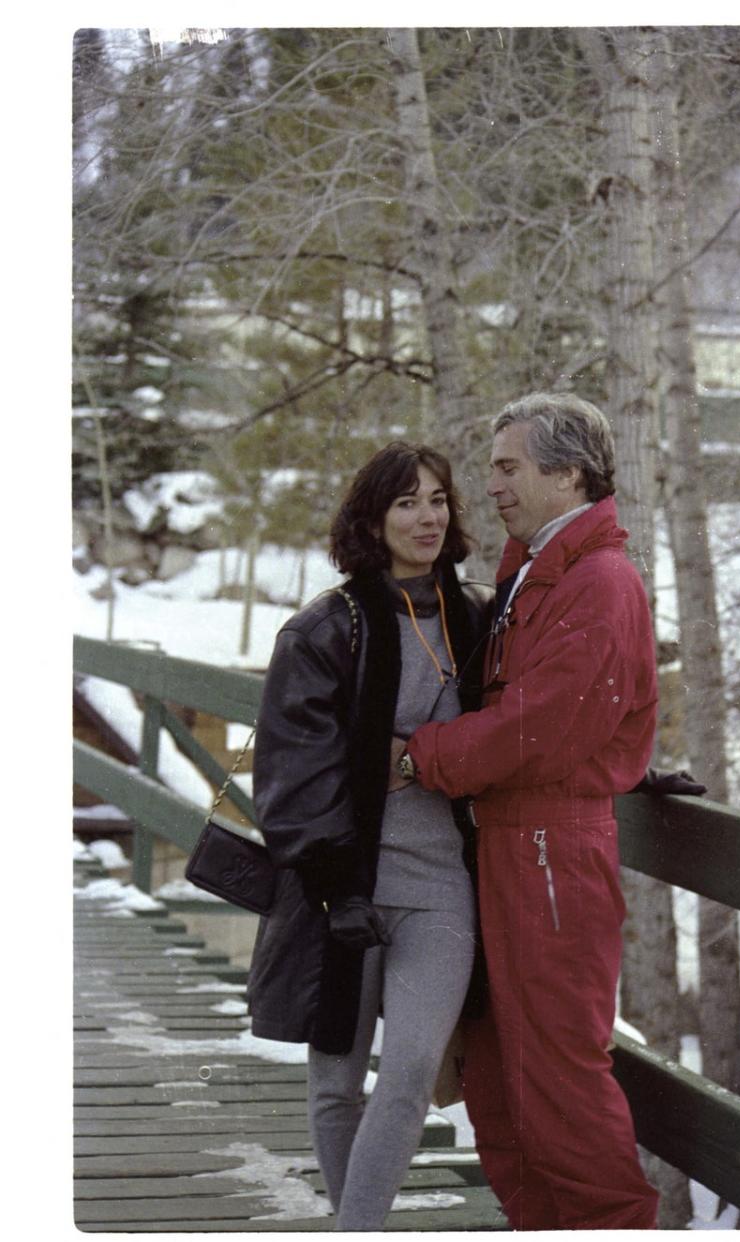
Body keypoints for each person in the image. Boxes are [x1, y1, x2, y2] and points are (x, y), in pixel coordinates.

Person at [393, 392, 663, 1229]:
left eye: (509, 467)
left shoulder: (599, 581)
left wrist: (417, 757)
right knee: (497, 1080)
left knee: (557, 1081)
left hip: (551, 852)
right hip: (509, 846)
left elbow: (538, 729)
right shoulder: (536, 570)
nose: (493, 484)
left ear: (568, 474)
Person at [246, 442, 492, 1231]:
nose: (427, 517)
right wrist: (331, 885)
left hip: (438, 882)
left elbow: (543, 720)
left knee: (414, 1065)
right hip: (341, 885)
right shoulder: (327, 627)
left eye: (439, 500)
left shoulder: (476, 618)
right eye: (406, 503)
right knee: (337, 1081)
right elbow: (290, 773)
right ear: (372, 518)